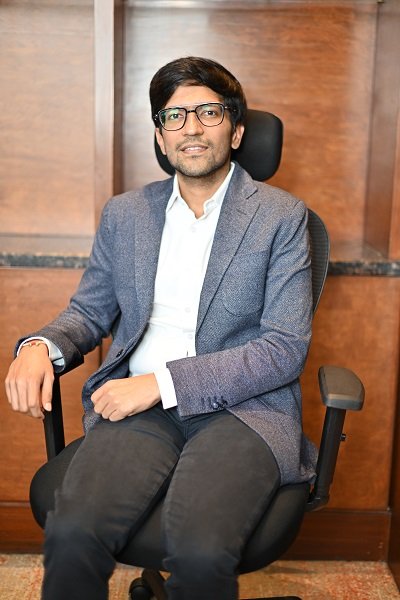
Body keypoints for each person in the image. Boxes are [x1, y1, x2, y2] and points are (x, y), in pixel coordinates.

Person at [5, 56, 316, 600]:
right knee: (73, 532)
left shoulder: (281, 217)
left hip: (243, 412)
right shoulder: (126, 215)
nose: (191, 127)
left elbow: (282, 348)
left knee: (200, 551)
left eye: (209, 113)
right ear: (160, 136)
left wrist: (162, 383)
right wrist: (39, 346)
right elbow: (89, 312)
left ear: (236, 131)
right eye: (175, 116)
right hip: (137, 411)